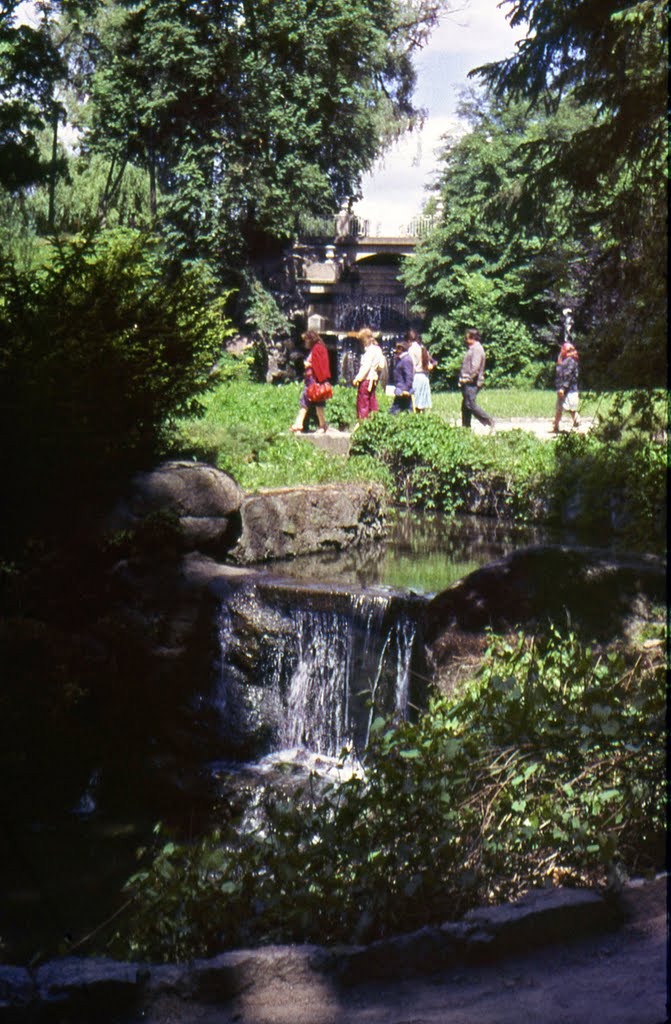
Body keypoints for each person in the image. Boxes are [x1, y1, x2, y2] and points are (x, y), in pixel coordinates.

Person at [290, 330, 331, 433]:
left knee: (318, 404)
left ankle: (322, 426)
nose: (305, 342)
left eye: (306, 340)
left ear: (310, 339)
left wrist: (309, 365)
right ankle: (298, 424)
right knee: (305, 402)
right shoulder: (316, 348)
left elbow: (320, 366)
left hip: (315, 381)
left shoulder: (318, 348)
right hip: (310, 381)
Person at [458, 328, 495, 432]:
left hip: (472, 382)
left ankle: (488, 420)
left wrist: (468, 379)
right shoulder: (473, 348)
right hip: (468, 382)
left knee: (470, 404)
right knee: (465, 406)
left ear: (473, 338)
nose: (465, 339)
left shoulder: (477, 349)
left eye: (467, 337)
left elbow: (475, 368)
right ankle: (465, 428)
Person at [351, 328, 386, 422]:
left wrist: (357, 378)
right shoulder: (378, 349)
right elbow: (382, 365)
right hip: (373, 380)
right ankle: (374, 421)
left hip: (366, 380)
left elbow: (365, 367)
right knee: (372, 401)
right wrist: (375, 370)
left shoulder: (369, 351)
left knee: (363, 403)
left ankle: (362, 423)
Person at [551, 341, 580, 432]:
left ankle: (577, 421)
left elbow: (568, 376)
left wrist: (563, 388)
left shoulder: (571, 361)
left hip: (570, 390)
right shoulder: (563, 360)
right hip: (564, 389)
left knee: (571, 409)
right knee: (559, 408)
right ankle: (556, 426)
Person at [389, 339, 414, 414]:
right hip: (401, 388)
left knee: (396, 409)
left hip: (403, 389)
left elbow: (409, 376)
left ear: (401, 349)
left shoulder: (406, 360)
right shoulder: (402, 359)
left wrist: (406, 389)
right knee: (405, 408)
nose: (396, 350)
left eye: (397, 348)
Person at [413, 343, 437, 413]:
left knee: (416, 399)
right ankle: (422, 415)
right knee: (422, 399)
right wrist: (432, 366)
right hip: (424, 377)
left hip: (417, 376)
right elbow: (434, 362)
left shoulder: (414, 351)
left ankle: (416, 415)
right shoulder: (425, 353)